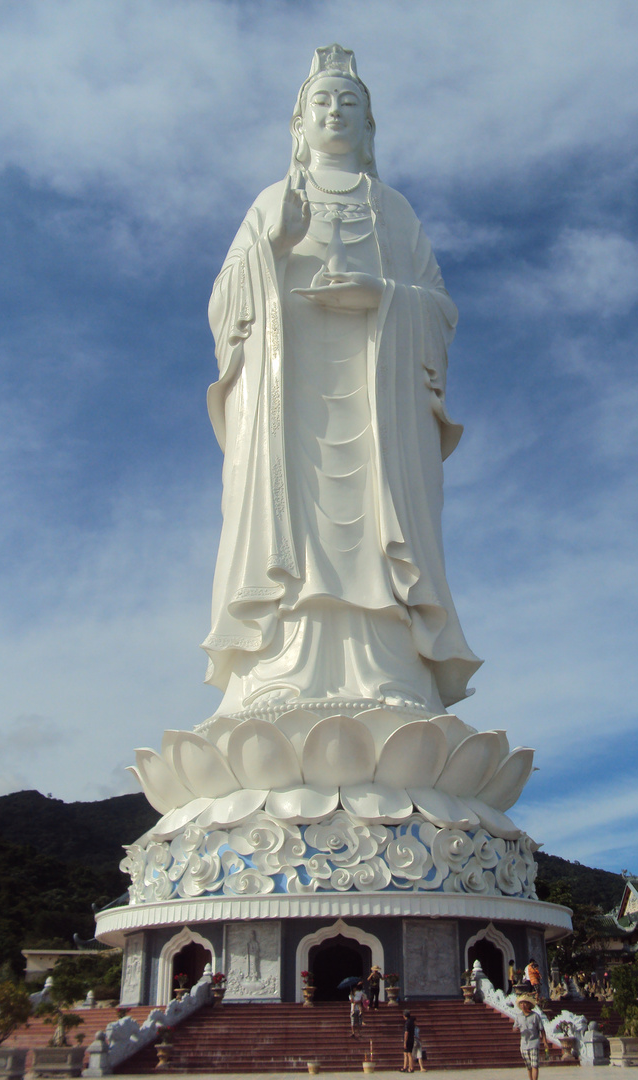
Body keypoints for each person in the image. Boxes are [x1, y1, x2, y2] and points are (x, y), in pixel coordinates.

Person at [202, 43, 480, 721]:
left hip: (376, 400)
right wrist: (269, 244)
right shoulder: (271, 201)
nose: (334, 112)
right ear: (297, 125)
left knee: (380, 530)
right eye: (321, 102)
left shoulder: (394, 209)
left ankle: (392, 673)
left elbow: (439, 307)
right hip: (287, 399)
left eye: (349, 104)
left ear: (369, 126)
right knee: (287, 528)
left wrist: (382, 297)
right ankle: (276, 672)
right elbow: (224, 306)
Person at [515, 998, 549, 1080]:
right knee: (529, 1066)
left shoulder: (535, 1016)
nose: (523, 1005)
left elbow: (542, 1029)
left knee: (535, 1065)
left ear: (529, 1005)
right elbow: (514, 1027)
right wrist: (515, 1029)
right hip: (524, 1044)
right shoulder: (518, 1017)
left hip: (534, 1042)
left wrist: (544, 1041)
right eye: (521, 1003)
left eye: (525, 1003)